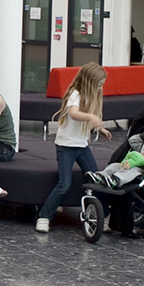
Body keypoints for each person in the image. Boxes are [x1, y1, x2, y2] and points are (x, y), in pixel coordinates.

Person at [34, 63, 113, 233]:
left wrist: (99, 128)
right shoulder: (74, 94)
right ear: (90, 82)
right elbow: (74, 114)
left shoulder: (90, 97)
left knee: (97, 180)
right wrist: (91, 117)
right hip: (66, 147)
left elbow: (86, 120)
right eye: (99, 84)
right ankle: (44, 216)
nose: (101, 88)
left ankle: (103, 217)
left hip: (82, 146)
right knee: (64, 184)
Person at [91, 120, 144, 189]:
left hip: (143, 169)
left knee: (133, 171)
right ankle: (101, 176)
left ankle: (117, 180)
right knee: (114, 166)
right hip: (131, 163)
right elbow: (132, 141)